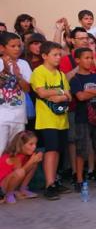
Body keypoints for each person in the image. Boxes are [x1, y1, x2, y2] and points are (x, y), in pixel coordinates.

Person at [30, 41, 71, 200]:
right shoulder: (39, 72)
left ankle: (54, 180)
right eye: (55, 55)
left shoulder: (61, 74)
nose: (58, 57)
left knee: (58, 150)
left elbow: (69, 95)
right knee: (51, 150)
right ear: (44, 56)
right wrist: (60, 93)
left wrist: (58, 95)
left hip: (61, 119)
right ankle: (49, 184)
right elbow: (41, 93)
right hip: (47, 120)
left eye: (60, 54)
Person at [69, 47, 96, 190]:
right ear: (78, 60)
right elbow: (80, 96)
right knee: (82, 150)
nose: (90, 61)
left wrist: (89, 91)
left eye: (91, 58)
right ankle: (79, 179)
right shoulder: (75, 79)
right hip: (83, 118)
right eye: (86, 58)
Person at [0, 33, 32, 151]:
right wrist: (6, 71)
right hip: (2, 117)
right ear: (2, 48)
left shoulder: (23, 64)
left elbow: (27, 89)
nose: (17, 49)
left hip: (19, 116)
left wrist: (18, 76)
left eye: (19, 46)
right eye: (13, 46)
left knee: (15, 151)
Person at [0, 131, 42, 204]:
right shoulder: (13, 157)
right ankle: (8, 194)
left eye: (35, 144)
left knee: (34, 164)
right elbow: (20, 173)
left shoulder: (24, 155)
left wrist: (34, 160)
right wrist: (30, 162)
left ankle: (22, 189)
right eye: (31, 144)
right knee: (21, 171)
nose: (34, 147)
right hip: (1, 187)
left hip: (9, 183)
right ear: (21, 145)